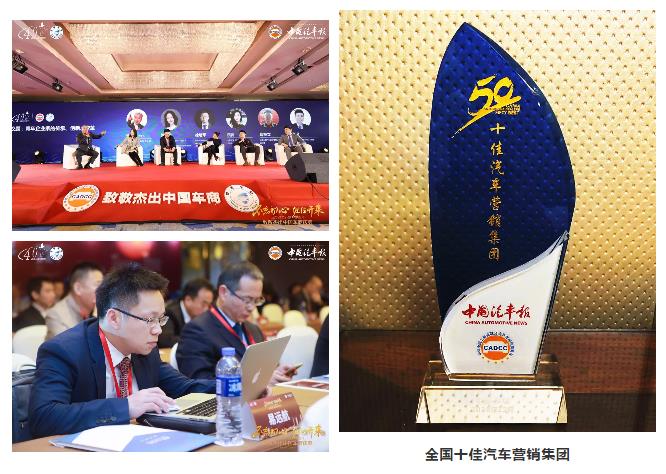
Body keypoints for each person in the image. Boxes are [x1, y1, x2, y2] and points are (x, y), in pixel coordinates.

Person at [28, 263, 216, 438]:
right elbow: (43, 417)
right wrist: (126, 407)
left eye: (161, 319)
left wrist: (231, 386)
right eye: (150, 320)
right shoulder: (64, 351)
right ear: (114, 318)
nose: (158, 329)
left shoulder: (144, 349)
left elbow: (186, 388)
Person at [177, 262, 297, 383]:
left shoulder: (254, 329)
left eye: (257, 300)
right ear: (224, 293)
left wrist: (274, 372)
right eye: (247, 300)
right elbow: (200, 382)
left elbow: (260, 369)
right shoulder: (197, 331)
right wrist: (257, 381)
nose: (252, 307)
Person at [45, 262, 103, 340]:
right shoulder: (56, 315)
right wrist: (95, 320)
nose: (103, 290)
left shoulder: (97, 310)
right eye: (98, 285)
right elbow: (66, 346)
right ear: (78, 288)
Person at [158, 278, 215, 349]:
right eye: (204, 304)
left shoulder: (202, 317)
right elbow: (165, 340)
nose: (207, 309)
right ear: (188, 300)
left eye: (209, 305)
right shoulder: (170, 312)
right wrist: (197, 340)